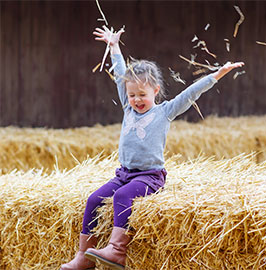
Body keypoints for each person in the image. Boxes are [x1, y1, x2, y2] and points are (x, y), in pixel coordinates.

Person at [60, 26, 244, 270]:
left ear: (155, 91)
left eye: (142, 95)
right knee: (94, 199)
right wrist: (113, 47)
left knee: (122, 197)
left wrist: (216, 75)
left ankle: (117, 250)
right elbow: (120, 72)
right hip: (123, 174)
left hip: (149, 176)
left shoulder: (165, 111)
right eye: (132, 94)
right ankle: (84, 256)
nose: (136, 99)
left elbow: (190, 94)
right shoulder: (128, 107)